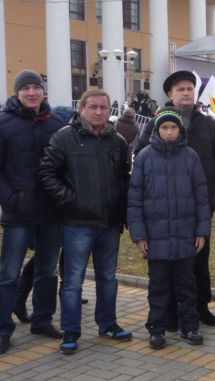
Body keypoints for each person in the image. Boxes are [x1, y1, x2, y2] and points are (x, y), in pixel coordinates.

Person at [0, 70, 66, 354]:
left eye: (36, 88)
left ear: (43, 91)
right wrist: (12, 201)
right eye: (25, 88)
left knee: (47, 272)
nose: (31, 93)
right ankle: (2, 329)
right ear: (17, 92)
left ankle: (42, 319)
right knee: (8, 274)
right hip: (18, 213)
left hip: (51, 213)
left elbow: (67, 167)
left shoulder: (57, 123)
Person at [38, 89, 133, 354]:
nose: (99, 112)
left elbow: (125, 179)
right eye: (93, 107)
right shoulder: (64, 138)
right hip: (77, 223)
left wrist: (123, 213)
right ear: (81, 109)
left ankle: (108, 323)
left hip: (109, 224)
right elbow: (46, 172)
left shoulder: (118, 141)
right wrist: (70, 199)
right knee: (72, 282)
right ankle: (70, 330)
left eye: (103, 107)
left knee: (108, 278)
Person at [136, 71, 215, 328]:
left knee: (199, 258)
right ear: (170, 95)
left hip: (199, 202)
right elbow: (141, 153)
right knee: (168, 263)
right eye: (180, 89)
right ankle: (171, 313)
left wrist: (206, 175)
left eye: (190, 88)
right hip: (163, 208)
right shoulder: (156, 122)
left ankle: (201, 307)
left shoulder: (207, 123)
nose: (186, 93)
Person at [128, 109, 211, 349]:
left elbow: (201, 196)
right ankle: (156, 329)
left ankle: (190, 326)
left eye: (173, 128)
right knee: (158, 286)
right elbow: (135, 199)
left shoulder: (190, 156)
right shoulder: (144, 157)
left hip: (186, 235)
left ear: (180, 130)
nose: (169, 132)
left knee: (187, 285)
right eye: (164, 128)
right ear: (157, 130)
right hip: (156, 237)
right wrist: (139, 235)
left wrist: (201, 231)